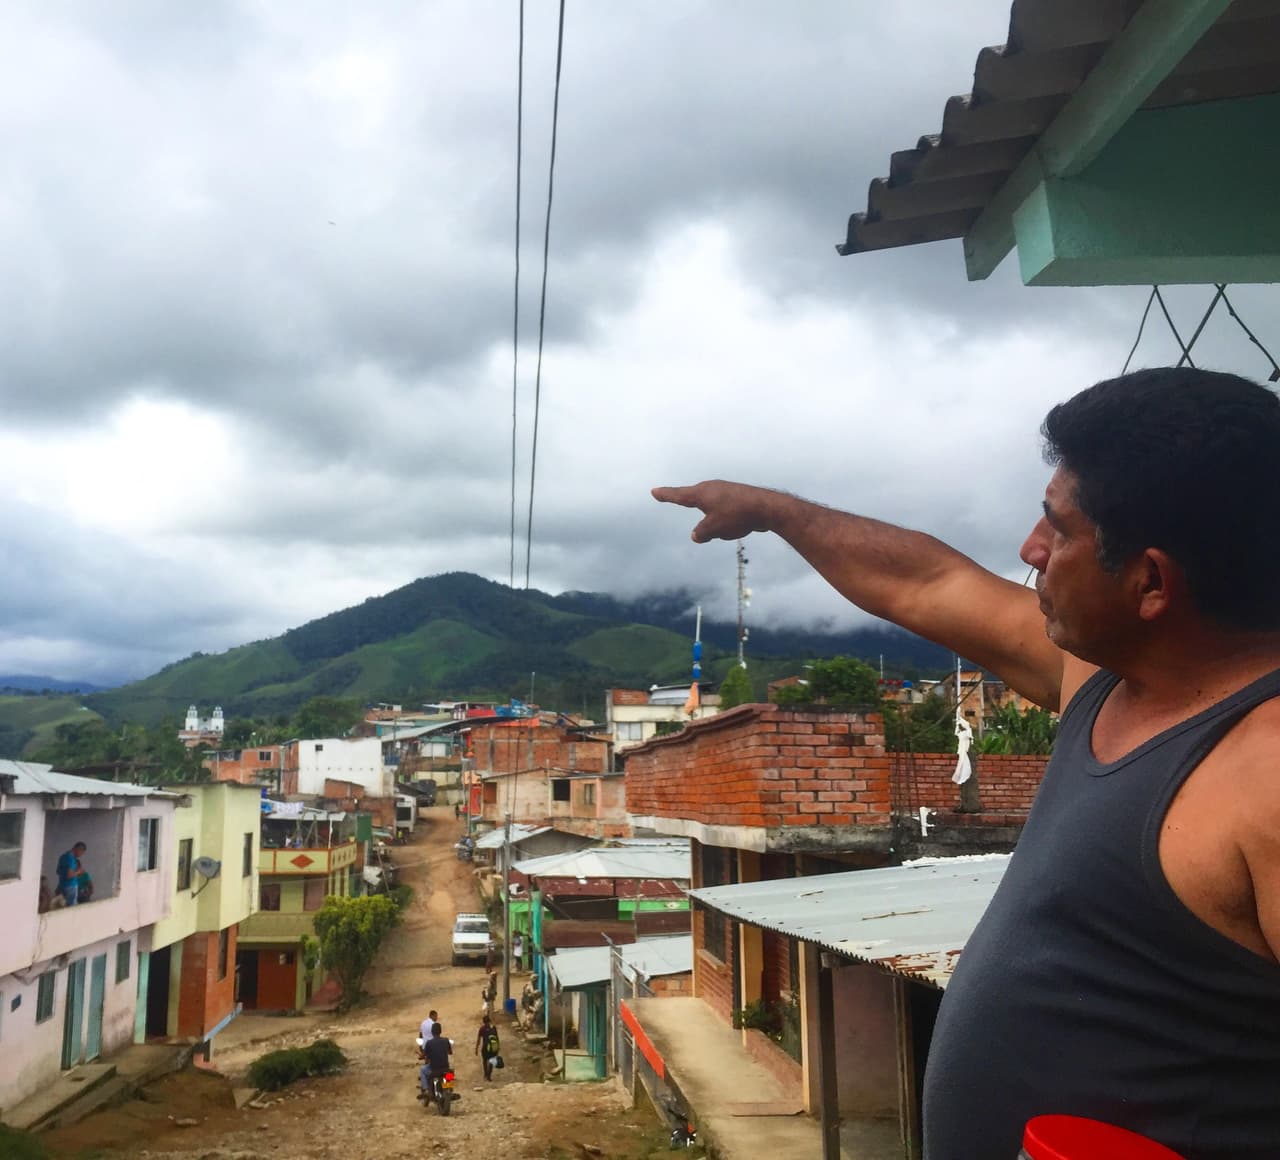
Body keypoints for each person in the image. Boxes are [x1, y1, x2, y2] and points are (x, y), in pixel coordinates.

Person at [654, 368, 1280, 1160]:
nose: (1031, 550)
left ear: (1150, 580)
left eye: (1058, 530)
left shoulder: (1264, 775)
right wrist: (778, 513)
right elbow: (929, 582)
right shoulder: (1102, 678)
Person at [418, 1021, 452, 1099]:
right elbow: (450, 1052)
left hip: (434, 1069)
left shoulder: (429, 1043)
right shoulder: (446, 1040)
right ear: (440, 1031)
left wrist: (421, 1056)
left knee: (423, 1070)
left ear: (432, 1032)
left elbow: (424, 1055)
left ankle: (426, 1089)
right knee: (449, 1076)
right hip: (445, 1068)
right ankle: (449, 1089)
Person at [55, 842, 86, 906]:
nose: (81, 855)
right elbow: (69, 876)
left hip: (62, 885)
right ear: (79, 849)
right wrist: (79, 871)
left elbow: (58, 871)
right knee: (72, 907)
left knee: (63, 906)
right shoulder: (71, 859)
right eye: (82, 853)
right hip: (71, 886)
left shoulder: (63, 857)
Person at [476, 1014, 500, 1081]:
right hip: (493, 1047)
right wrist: (498, 1047)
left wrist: (476, 1048)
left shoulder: (482, 1029)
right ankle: (489, 1075)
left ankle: (485, 1074)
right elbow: (497, 1038)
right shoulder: (493, 1028)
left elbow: (478, 1039)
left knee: (484, 1061)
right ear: (489, 1021)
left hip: (485, 1047)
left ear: (483, 1022)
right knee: (492, 1061)